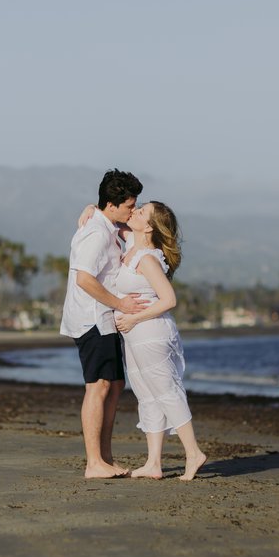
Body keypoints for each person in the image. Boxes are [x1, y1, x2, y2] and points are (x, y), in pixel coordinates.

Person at [80, 200, 207, 480]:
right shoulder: (131, 244)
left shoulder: (147, 258)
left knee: (166, 392)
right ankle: (153, 463)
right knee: (147, 396)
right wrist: (91, 207)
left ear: (149, 226)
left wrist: (135, 318)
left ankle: (194, 453)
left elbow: (169, 299)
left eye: (141, 211)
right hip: (134, 337)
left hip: (151, 333)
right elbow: (111, 218)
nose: (133, 212)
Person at [60, 169, 147, 479]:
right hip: (91, 319)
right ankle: (93, 462)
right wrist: (121, 303)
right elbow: (84, 278)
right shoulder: (97, 232)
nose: (133, 211)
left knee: (115, 385)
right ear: (112, 205)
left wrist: (91, 207)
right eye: (129, 205)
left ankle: (105, 459)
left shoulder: (105, 224)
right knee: (98, 386)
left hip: (104, 320)